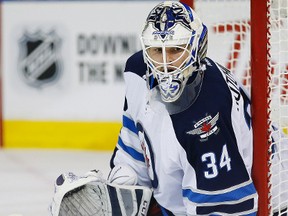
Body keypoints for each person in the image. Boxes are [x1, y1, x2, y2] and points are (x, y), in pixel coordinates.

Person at [50, 1, 258, 215]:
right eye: (157, 50)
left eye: (176, 50)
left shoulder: (207, 117)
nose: (166, 63)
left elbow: (227, 210)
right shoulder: (137, 72)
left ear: (197, 49)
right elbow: (134, 147)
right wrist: (125, 183)